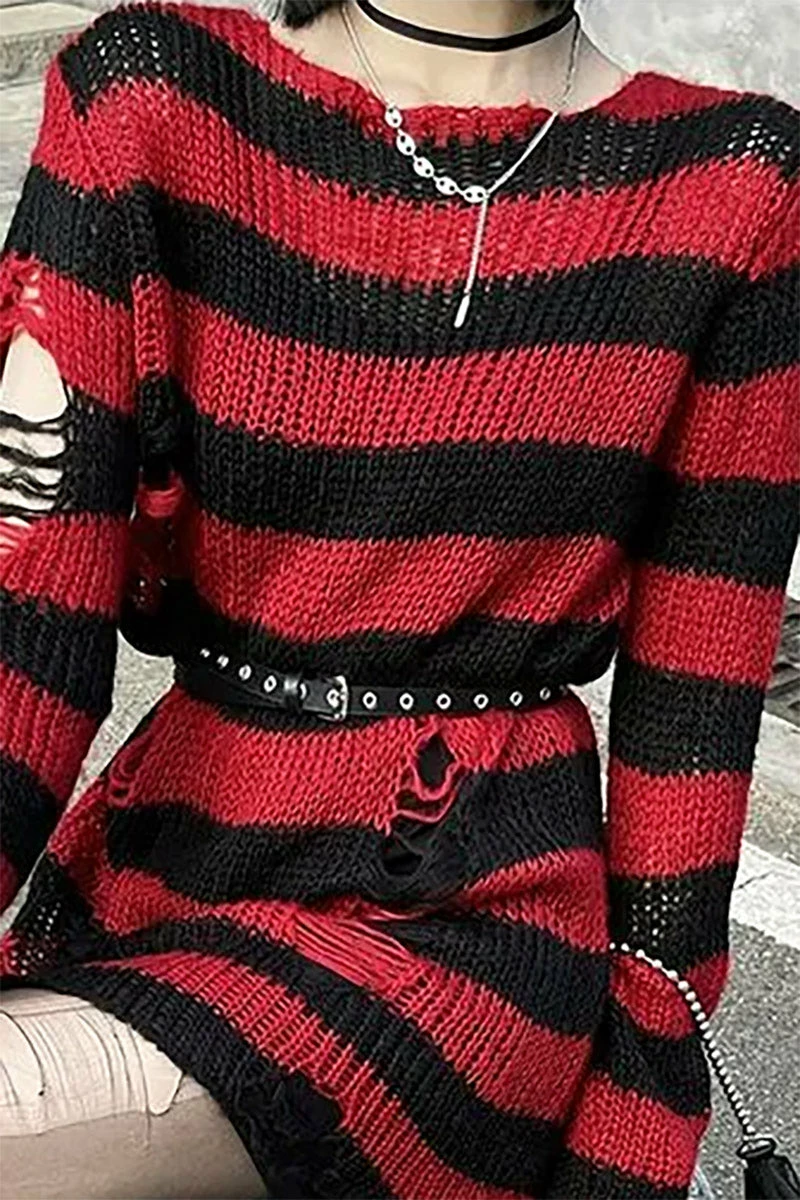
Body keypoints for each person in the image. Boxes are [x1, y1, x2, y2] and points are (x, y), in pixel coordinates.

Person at [0, 0, 797, 1196]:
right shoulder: (146, 97)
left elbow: (696, 703)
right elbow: (25, 627)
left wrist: (633, 1130)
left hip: (464, 933)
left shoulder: (737, 183)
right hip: (160, 872)